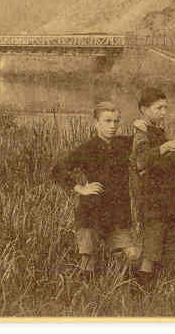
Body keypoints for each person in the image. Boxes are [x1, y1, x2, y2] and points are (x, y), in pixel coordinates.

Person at [51, 101, 140, 278]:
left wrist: (141, 127)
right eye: (107, 121)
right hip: (90, 212)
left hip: (117, 214)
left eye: (116, 121)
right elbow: (57, 170)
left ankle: (116, 285)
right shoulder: (87, 149)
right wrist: (80, 188)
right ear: (96, 123)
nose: (113, 126)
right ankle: (85, 293)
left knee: (133, 256)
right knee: (88, 262)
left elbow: (149, 144)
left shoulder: (124, 144)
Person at [131, 87, 175, 287]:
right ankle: (141, 288)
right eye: (159, 108)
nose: (163, 112)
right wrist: (164, 147)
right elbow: (141, 161)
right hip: (152, 200)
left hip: (167, 198)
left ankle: (170, 284)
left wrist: (174, 148)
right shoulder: (140, 133)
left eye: (165, 107)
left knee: (171, 240)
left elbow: (162, 161)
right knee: (153, 246)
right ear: (144, 110)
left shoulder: (158, 130)